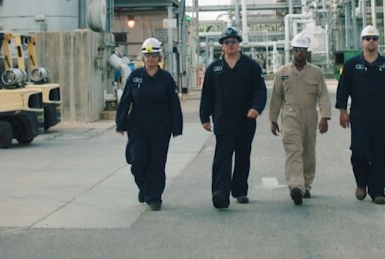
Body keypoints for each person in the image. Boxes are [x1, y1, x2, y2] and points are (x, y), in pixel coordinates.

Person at [335, 25, 385, 205]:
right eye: (367, 38)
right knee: (359, 151)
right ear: (362, 41)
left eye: (374, 38)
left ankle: (377, 191)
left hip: (381, 118)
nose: (371, 42)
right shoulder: (352, 65)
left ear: (378, 41)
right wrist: (342, 111)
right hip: (359, 117)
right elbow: (343, 89)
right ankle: (361, 182)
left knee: (380, 154)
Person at [198, 26, 266, 209]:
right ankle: (220, 192)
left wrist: (256, 108)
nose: (230, 45)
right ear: (222, 46)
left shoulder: (250, 66)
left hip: (246, 119)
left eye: (233, 42)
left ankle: (240, 190)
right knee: (223, 156)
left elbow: (260, 90)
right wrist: (204, 117)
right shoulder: (215, 69)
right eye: (227, 42)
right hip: (223, 119)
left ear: (238, 44)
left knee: (243, 155)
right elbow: (207, 95)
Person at [115, 38, 183, 211]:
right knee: (137, 160)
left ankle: (154, 197)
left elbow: (174, 104)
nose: (151, 59)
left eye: (154, 55)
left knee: (157, 163)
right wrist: (120, 123)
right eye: (147, 55)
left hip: (161, 128)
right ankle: (144, 187)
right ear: (143, 57)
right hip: (138, 127)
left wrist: (177, 127)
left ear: (159, 57)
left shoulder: (166, 79)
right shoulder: (135, 76)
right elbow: (125, 101)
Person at [268, 33, 331, 206]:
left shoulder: (316, 73)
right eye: (297, 50)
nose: (300, 53)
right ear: (292, 51)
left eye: (303, 50)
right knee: (293, 150)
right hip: (289, 115)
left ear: (307, 52)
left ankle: (307, 184)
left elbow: (323, 96)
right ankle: (296, 185)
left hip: (310, 115)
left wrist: (325, 117)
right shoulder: (282, 73)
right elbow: (276, 97)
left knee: (308, 151)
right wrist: (273, 119)